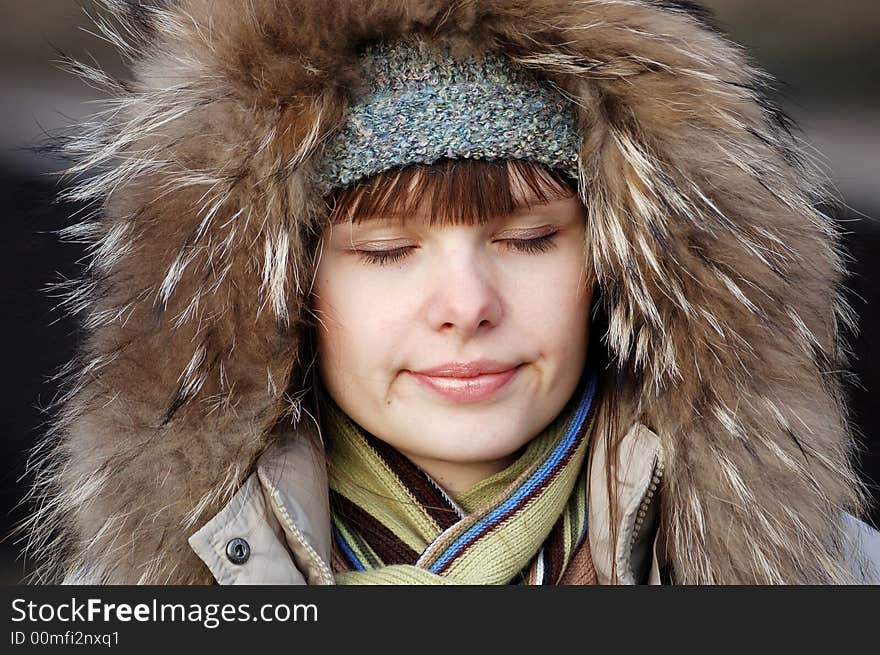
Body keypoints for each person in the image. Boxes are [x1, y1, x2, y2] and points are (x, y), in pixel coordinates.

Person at [18, 0, 880, 584]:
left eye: (530, 238)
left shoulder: (832, 576)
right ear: (278, 289)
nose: (466, 304)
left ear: (623, 261)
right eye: (388, 251)